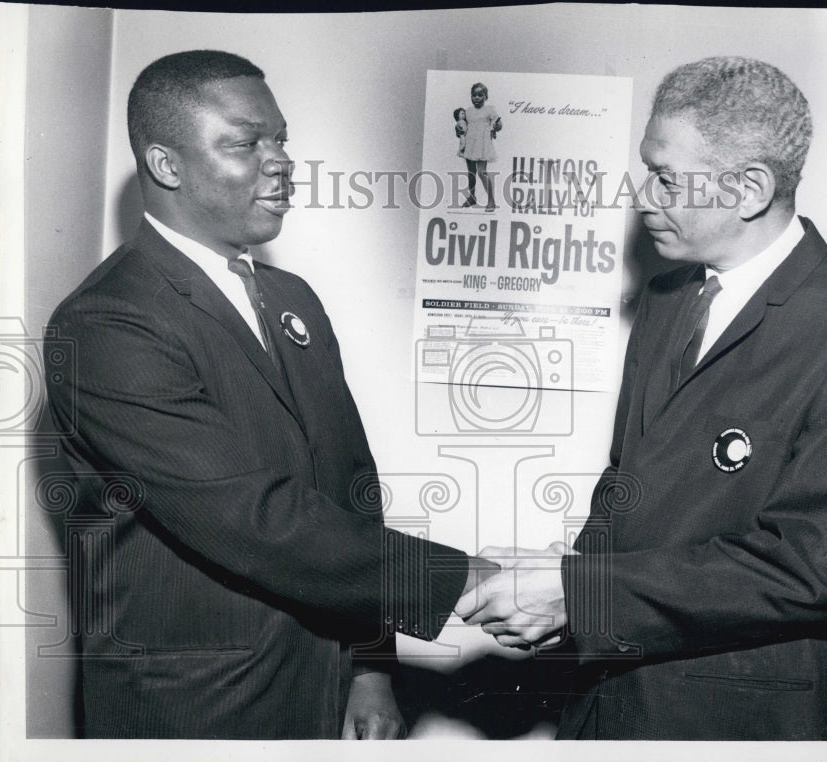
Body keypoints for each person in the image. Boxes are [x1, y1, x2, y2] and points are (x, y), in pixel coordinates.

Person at [457, 56, 827, 740]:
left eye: (666, 178)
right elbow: (625, 484)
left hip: (738, 723)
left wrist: (581, 596)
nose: (642, 197)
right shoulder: (668, 300)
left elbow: (811, 568)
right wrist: (562, 603)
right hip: (606, 704)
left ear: (749, 189)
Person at [44, 50, 495, 740]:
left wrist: (369, 669)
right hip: (193, 710)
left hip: (316, 691)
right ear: (167, 166)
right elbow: (250, 519)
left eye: (281, 138)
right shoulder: (108, 322)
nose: (280, 160)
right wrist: (463, 579)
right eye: (246, 142)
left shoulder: (293, 300)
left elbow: (350, 487)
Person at [458, 82, 501, 211]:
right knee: (471, 172)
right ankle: (472, 197)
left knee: (482, 172)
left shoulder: (489, 110)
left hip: (482, 145)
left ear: (486, 97)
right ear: (471, 96)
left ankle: (491, 201)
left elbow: (498, 123)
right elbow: (462, 125)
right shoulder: (468, 111)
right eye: (474, 95)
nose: (476, 98)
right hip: (470, 144)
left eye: (480, 95)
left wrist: (497, 127)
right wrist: (458, 130)